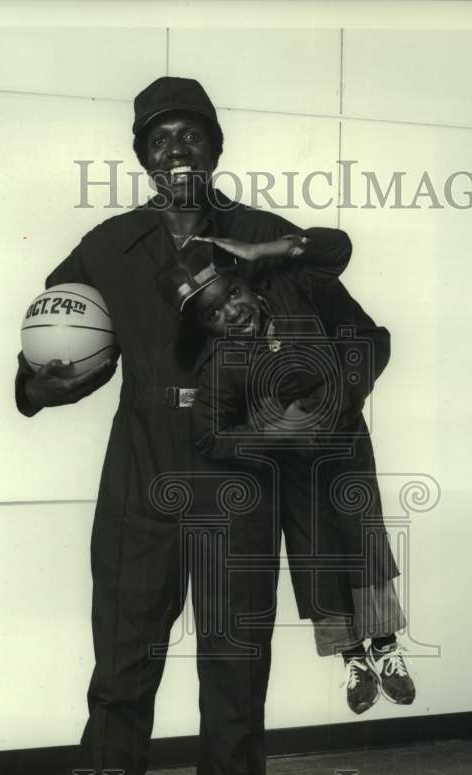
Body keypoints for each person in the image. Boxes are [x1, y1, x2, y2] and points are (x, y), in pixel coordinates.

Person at [14, 76, 354, 775]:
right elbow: (51, 350)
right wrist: (37, 385)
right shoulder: (109, 246)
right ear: (140, 155)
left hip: (237, 494)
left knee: (234, 695)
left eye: (192, 135)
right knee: (120, 689)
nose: (177, 151)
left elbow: (336, 271)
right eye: (160, 138)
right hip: (140, 494)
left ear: (214, 149)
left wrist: (277, 268)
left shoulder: (256, 238)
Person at [158, 235, 416, 715]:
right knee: (314, 551)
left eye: (232, 294)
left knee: (364, 537)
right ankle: (352, 657)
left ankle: (385, 644)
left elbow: (337, 249)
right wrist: (268, 428)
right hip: (293, 463)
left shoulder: (292, 292)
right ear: (205, 328)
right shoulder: (222, 364)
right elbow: (209, 435)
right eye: (214, 314)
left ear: (247, 284)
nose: (231, 313)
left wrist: (266, 248)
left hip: (344, 441)